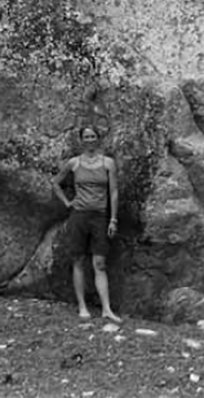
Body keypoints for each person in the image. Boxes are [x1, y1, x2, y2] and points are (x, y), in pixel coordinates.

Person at [53, 125, 121, 321]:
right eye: (86, 137)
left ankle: (106, 309)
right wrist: (67, 202)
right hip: (79, 216)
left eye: (93, 136)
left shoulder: (108, 163)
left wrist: (113, 219)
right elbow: (56, 183)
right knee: (78, 260)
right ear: (81, 140)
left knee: (99, 263)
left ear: (98, 139)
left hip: (100, 216)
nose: (90, 140)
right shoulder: (74, 163)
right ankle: (82, 306)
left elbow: (114, 192)